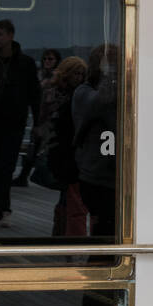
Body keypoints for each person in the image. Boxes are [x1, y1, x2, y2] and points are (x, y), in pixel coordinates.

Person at [0, 19, 40, 230]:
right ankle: (5, 211)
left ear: (10, 35)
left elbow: (35, 95)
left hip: (15, 124)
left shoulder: (26, 64)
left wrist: (38, 123)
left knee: (5, 167)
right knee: (0, 168)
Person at [72, 43, 119, 239]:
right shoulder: (84, 93)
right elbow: (101, 101)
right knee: (104, 230)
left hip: (107, 174)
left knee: (109, 228)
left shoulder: (85, 92)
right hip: (97, 176)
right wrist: (113, 74)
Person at [46, 56, 88, 236]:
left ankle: (59, 233)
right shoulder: (76, 96)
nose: (78, 77)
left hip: (60, 149)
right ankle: (73, 239)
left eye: (81, 74)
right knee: (74, 200)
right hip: (66, 152)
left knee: (66, 197)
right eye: (75, 73)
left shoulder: (52, 92)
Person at [13, 47, 62, 187]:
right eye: (45, 59)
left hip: (52, 117)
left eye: (50, 59)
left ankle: (46, 176)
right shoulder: (39, 74)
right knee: (34, 146)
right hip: (38, 114)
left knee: (45, 147)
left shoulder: (58, 77)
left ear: (56, 61)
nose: (47, 61)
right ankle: (24, 176)